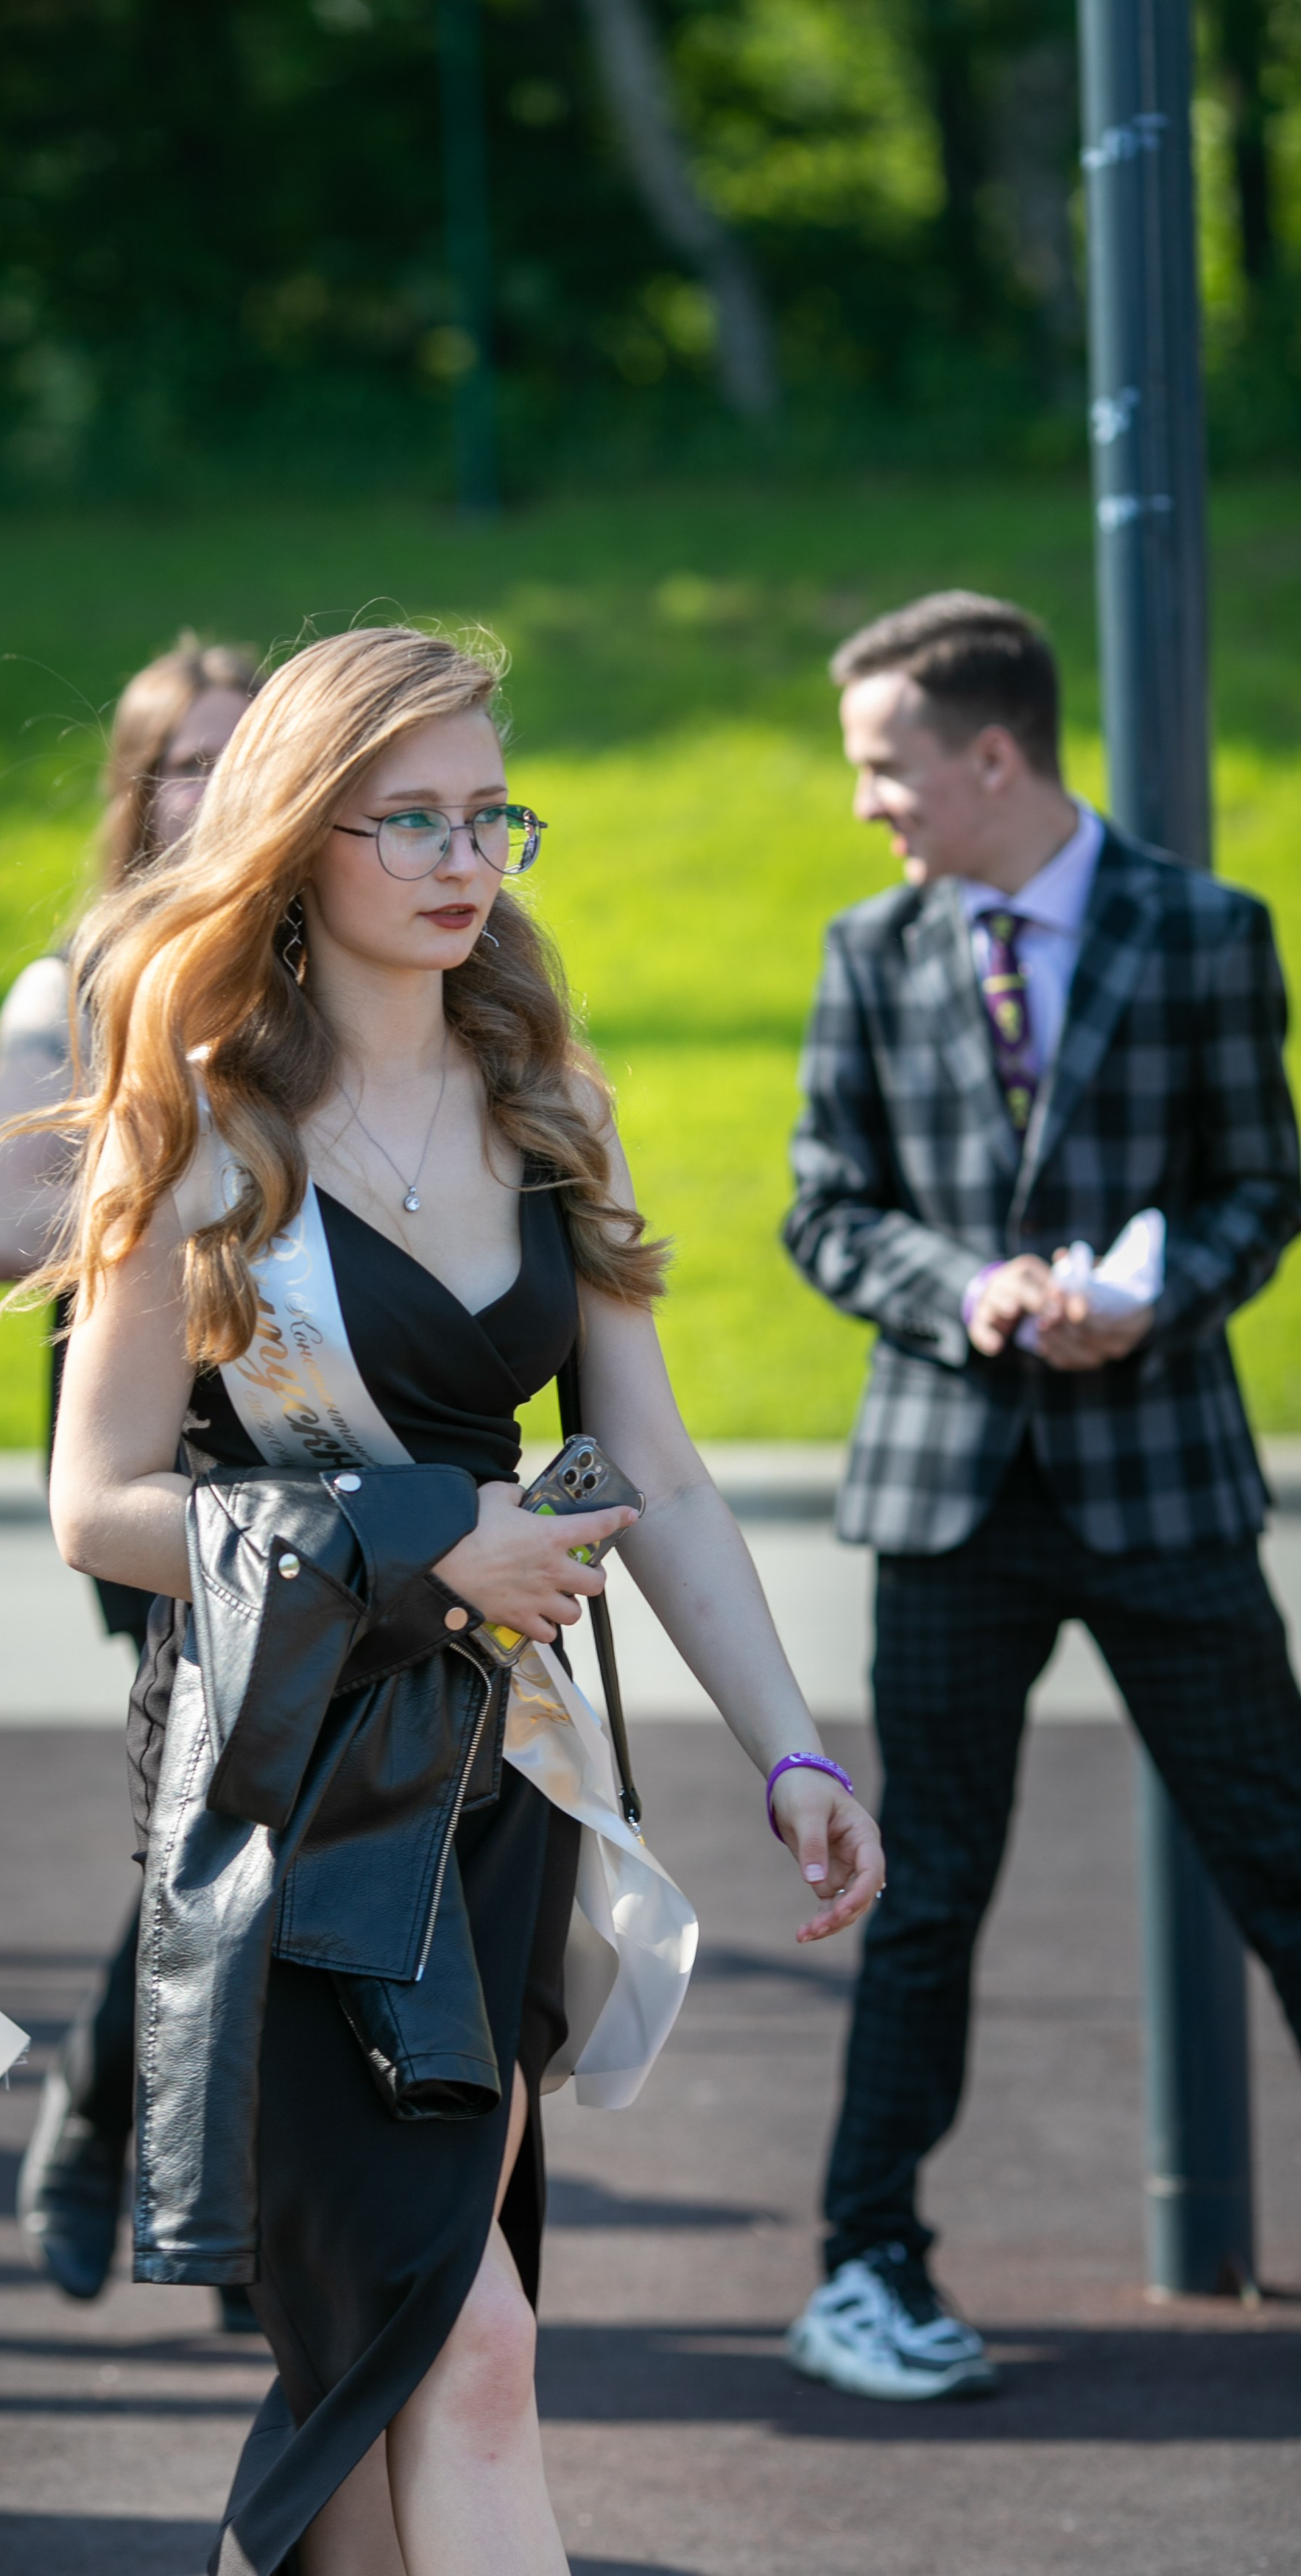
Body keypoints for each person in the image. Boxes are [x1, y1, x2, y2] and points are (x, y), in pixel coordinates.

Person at [38, 623, 884, 2572]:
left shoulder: (542, 1104)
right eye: (404, 816)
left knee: (402, 2350)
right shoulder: (198, 1123)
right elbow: (94, 1505)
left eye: (489, 812)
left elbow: (653, 1470)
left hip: (502, 1778)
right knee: (448, 2344)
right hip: (292, 1792)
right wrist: (412, 1540)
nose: (459, 857)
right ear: (293, 838)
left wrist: (786, 1749)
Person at [781, 590, 1301, 2402]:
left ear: (989, 753)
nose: (869, 805)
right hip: (950, 1498)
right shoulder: (869, 950)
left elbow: (1263, 1183)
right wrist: (965, 1293)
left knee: (1286, 1860)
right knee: (923, 1895)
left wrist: (1162, 1292)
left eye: (883, 765)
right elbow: (825, 1206)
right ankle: (866, 2265)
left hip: (1163, 1484)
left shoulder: (1208, 932)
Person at [0, 636, 258, 2315]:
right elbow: (13, 1228)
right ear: (134, 788)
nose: (216, 789)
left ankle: (138, 2125)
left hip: (325, 1416)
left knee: (244, 1794)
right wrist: (173, 1143)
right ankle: (125, 2124)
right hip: (146, 1424)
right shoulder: (79, 974)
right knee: (208, 1793)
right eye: (185, 760)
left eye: (242, 753)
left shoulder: (321, 955)